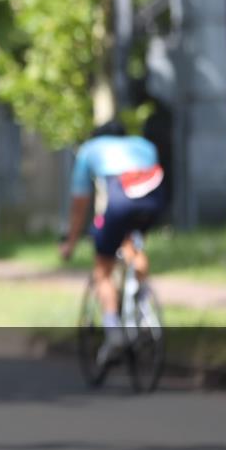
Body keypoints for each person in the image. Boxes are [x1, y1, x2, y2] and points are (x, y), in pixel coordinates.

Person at [59, 120, 166, 363]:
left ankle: (113, 331)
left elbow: (80, 204)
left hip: (120, 200)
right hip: (154, 197)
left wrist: (70, 242)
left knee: (103, 270)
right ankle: (142, 299)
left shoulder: (89, 149)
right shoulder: (144, 145)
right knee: (132, 243)